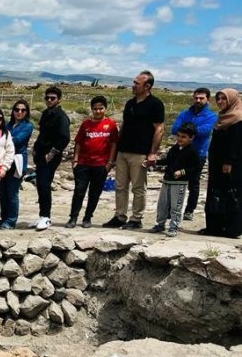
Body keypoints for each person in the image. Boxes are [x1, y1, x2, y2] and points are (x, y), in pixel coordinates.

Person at [104, 70, 165, 230]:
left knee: (138, 187)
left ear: (147, 86)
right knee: (120, 186)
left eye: (136, 83)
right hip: (124, 150)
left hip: (140, 152)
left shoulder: (155, 104)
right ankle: (120, 216)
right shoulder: (130, 103)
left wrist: (153, 152)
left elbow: (159, 129)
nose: (133, 85)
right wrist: (117, 148)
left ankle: (136, 218)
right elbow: (124, 125)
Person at [67, 96, 120, 228]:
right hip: (83, 163)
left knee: (94, 193)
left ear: (105, 109)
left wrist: (110, 162)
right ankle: (73, 218)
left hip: (101, 165)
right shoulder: (86, 124)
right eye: (95, 109)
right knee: (79, 191)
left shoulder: (111, 125)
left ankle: (87, 217)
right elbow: (78, 142)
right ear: (91, 109)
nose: (98, 111)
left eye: (100, 108)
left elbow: (114, 144)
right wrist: (75, 159)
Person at [201, 89, 242, 239]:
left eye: (223, 99)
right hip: (216, 161)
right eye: (218, 99)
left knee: (231, 194)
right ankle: (214, 227)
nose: (220, 102)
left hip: (230, 164)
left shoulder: (237, 118)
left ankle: (232, 228)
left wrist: (229, 161)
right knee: (215, 192)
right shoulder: (222, 117)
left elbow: (236, 143)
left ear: (232, 100)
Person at [171, 88, 217, 220]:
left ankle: (189, 210)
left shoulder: (211, 116)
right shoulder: (185, 113)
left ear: (207, 99)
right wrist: (192, 130)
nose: (198, 100)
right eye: (196, 98)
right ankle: (173, 209)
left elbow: (206, 131)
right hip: (181, 152)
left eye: (201, 98)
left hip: (198, 153)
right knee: (175, 179)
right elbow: (174, 129)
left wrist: (187, 129)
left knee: (193, 183)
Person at [31, 86, 70, 231]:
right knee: (40, 185)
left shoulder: (61, 116)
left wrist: (52, 153)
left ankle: (46, 217)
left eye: (52, 98)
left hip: (50, 156)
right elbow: (42, 134)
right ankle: (42, 215)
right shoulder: (45, 113)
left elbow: (65, 137)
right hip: (40, 154)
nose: (49, 100)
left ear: (59, 99)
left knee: (45, 184)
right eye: (47, 98)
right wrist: (36, 149)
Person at [150, 123, 200, 237]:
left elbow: (195, 167)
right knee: (162, 204)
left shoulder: (192, 151)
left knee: (176, 206)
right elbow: (168, 161)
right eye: (179, 136)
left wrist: (182, 172)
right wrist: (154, 162)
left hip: (179, 183)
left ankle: (173, 226)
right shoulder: (174, 148)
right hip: (167, 180)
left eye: (183, 137)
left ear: (191, 138)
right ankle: (160, 224)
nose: (180, 139)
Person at [0, 99, 33, 229]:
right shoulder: (7, 125)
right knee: (3, 192)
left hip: (17, 162)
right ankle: (3, 218)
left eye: (23, 110)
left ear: (26, 112)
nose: (19, 112)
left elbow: (18, 140)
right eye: (17, 109)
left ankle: (11, 220)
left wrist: (2, 140)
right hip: (4, 161)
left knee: (12, 192)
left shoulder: (28, 126)